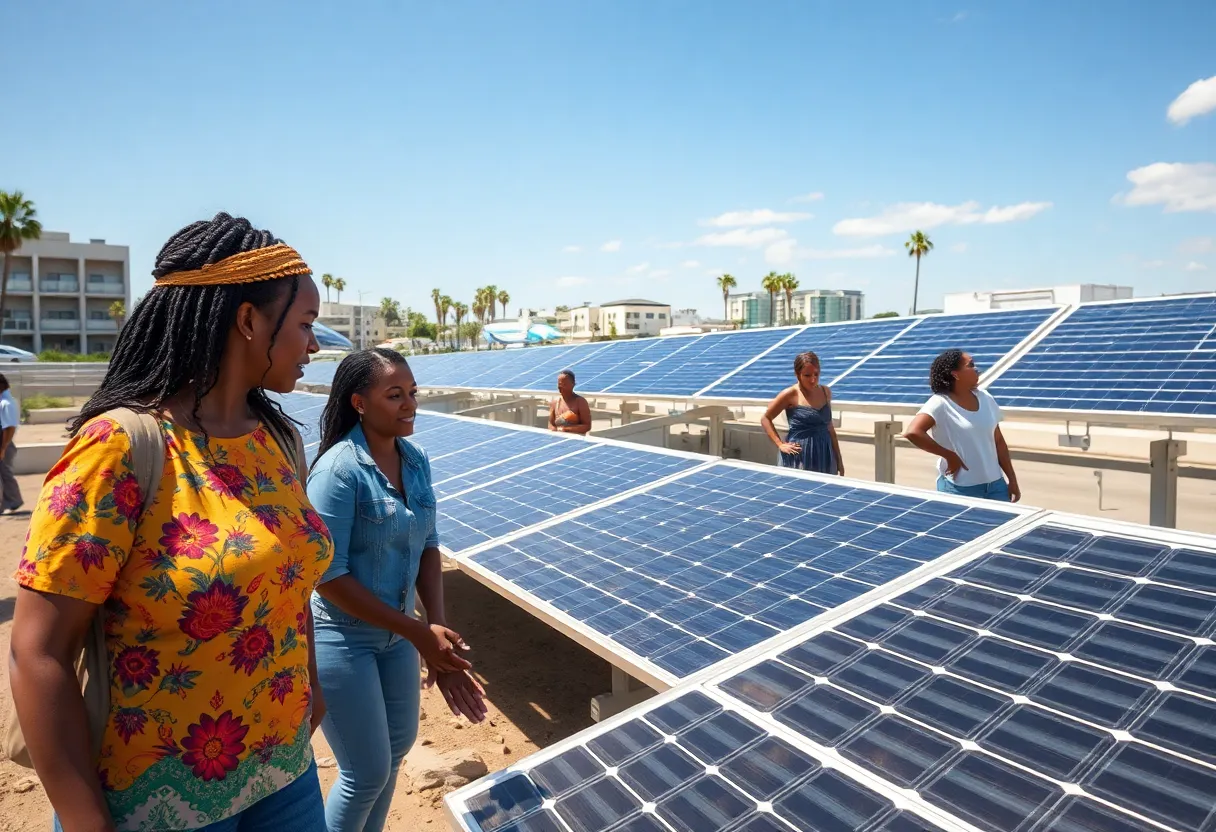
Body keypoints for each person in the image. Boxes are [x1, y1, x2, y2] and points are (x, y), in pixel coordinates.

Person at [9, 213, 332, 832]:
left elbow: (290, 581)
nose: (314, 346)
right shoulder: (121, 450)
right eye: (305, 325)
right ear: (247, 321)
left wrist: (308, 691)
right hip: (160, 801)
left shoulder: (277, 440)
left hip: (283, 772)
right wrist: (86, 822)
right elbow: (36, 652)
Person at [306, 348, 486, 832]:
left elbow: (428, 543)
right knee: (364, 773)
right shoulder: (338, 472)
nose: (409, 405)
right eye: (394, 395)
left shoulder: (416, 459)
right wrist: (417, 631)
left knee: (395, 755)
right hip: (344, 638)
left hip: (399, 638)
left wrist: (435, 624)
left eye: (412, 394)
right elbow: (328, 575)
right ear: (359, 403)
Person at [904, 348, 1021, 502]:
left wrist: (1012, 480)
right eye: (970, 365)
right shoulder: (940, 403)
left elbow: (998, 441)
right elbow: (913, 432)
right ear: (955, 374)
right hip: (960, 489)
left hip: (996, 487)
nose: (976, 369)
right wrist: (949, 455)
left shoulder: (985, 398)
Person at [760, 351, 845, 475]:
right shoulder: (789, 394)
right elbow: (765, 418)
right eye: (807, 375)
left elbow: (830, 427)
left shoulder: (825, 392)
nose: (813, 380)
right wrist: (780, 444)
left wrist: (839, 460)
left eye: (816, 374)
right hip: (800, 456)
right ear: (797, 374)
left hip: (824, 454)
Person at [0, 372, 22, 513]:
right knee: (4, 473)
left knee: (5, 473)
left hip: (4, 443)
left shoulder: (6, 403)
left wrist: (3, 448)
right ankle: (11, 502)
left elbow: (10, 427)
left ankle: (13, 501)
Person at [548, 369, 591, 435]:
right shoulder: (555, 402)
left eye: (564, 384)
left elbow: (587, 426)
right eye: (559, 383)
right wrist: (554, 431)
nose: (561, 386)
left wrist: (566, 429)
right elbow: (551, 424)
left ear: (573, 384)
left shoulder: (580, 402)